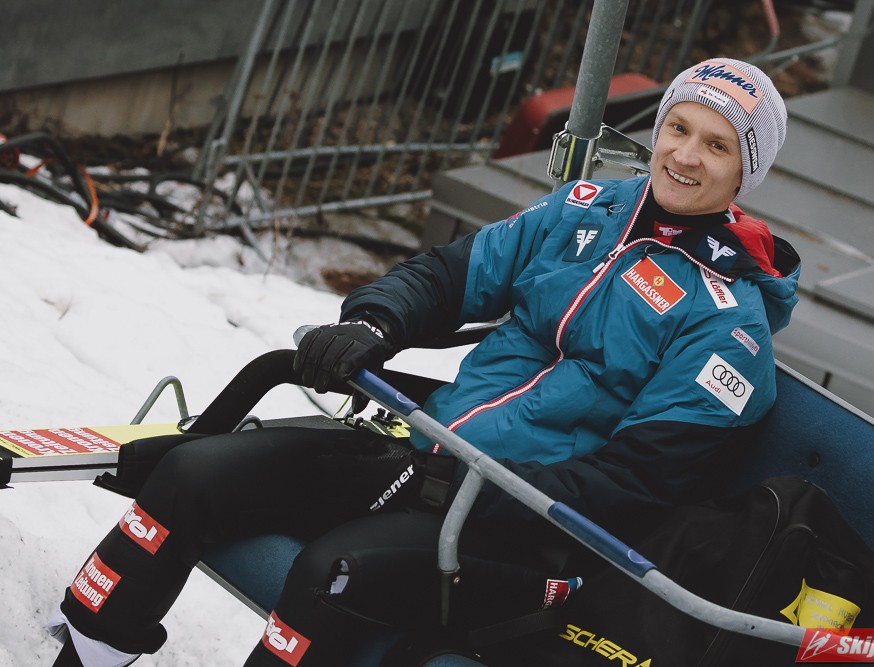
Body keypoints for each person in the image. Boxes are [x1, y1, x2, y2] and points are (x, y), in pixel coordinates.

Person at [48, 57, 800, 666]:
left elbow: (635, 485)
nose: (685, 155)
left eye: (717, 145)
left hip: (529, 538)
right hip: (423, 455)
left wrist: (479, 488)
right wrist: (373, 321)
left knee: (334, 572)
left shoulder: (729, 326)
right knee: (193, 474)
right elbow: (449, 275)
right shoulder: (589, 208)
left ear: (746, 171)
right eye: (678, 127)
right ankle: (89, 650)